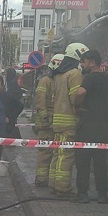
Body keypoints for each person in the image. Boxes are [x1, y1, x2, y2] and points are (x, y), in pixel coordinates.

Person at [72, 50, 108, 204]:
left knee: (83, 162)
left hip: (87, 126)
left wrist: (77, 105)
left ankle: (83, 194)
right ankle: (102, 194)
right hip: (102, 127)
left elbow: (80, 93)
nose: (82, 65)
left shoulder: (89, 78)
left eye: (84, 62)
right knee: (100, 162)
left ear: (92, 62)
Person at [49, 42, 89, 198]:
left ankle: (53, 184)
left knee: (57, 154)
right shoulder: (75, 74)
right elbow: (75, 98)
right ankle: (63, 188)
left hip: (57, 121)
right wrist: (82, 111)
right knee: (66, 155)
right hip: (69, 122)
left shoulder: (59, 74)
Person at [33, 54, 64, 187]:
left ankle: (48, 179)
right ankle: (41, 179)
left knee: (53, 153)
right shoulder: (45, 81)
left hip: (53, 123)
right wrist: (45, 118)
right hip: (45, 124)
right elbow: (40, 101)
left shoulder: (57, 80)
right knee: (45, 153)